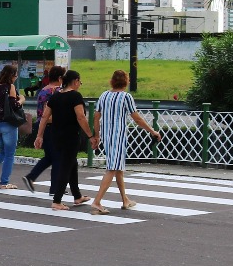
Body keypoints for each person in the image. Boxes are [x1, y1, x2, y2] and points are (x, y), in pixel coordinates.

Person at [90, 69, 162, 214]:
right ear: (126, 82)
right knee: (112, 169)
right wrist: (152, 131)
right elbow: (137, 118)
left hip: (106, 135)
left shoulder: (104, 95)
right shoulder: (126, 97)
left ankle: (125, 199)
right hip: (118, 136)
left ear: (112, 81)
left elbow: (96, 117)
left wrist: (96, 136)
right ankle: (97, 202)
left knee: (118, 169)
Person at [37, 69, 95, 210]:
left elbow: (44, 117)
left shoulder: (55, 96)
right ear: (75, 81)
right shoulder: (75, 96)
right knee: (66, 166)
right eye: (79, 82)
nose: (79, 84)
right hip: (70, 136)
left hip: (56, 136)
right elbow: (80, 117)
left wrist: (39, 135)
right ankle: (57, 200)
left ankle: (77, 196)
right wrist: (90, 136)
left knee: (71, 163)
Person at [23, 65, 65, 192]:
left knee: (50, 156)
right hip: (53, 126)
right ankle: (55, 188)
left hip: (41, 125)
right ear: (59, 78)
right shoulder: (57, 91)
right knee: (58, 157)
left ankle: (31, 177)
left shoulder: (43, 90)